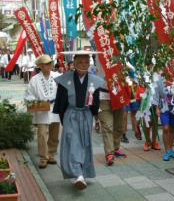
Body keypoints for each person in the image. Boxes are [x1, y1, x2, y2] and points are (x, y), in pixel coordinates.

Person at [53, 50, 104, 190]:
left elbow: (96, 104)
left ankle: (81, 173)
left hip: (86, 115)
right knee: (73, 143)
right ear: (74, 63)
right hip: (71, 115)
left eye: (86, 62)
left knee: (84, 144)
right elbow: (60, 103)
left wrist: (95, 118)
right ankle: (78, 175)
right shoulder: (65, 79)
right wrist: (65, 120)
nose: (83, 64)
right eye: (80, 62)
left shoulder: (95, 80)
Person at [24, 55, 61, 169]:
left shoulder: (57, 76)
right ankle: (43, 158)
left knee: (55, 133)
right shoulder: (34, 79)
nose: (50, 65)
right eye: (47, 64)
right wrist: (34, 102)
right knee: (42, 134)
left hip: (55, 107)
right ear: (40, 66)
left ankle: (51, 154)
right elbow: (28, 95)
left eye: (50, 63)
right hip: (42, 108)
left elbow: (66, 86)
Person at [95, 56, 127, 166]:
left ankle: (115, 147)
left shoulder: (119, 53)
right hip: (103, 96)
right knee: (108, 126)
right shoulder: (100, 51)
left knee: (119, 126)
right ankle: (109, 153)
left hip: (118, 94)